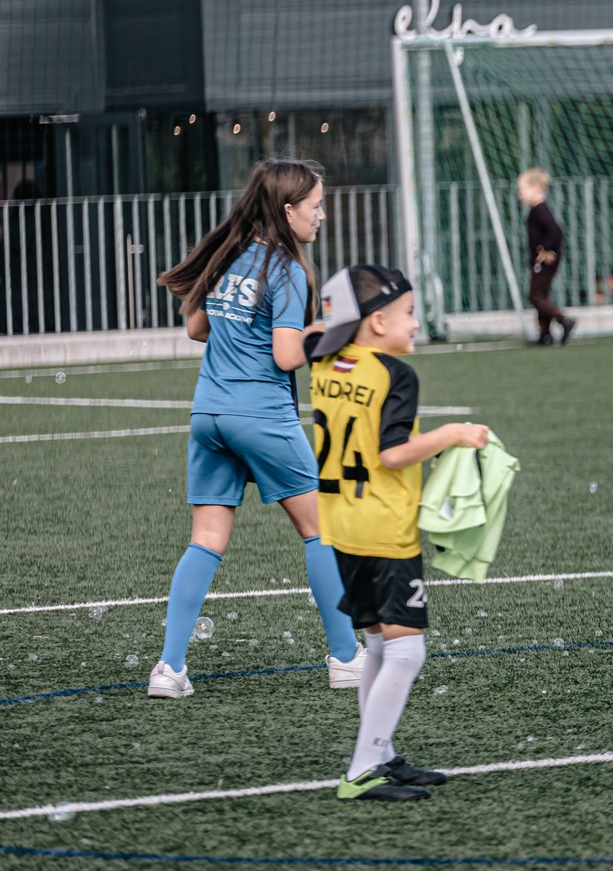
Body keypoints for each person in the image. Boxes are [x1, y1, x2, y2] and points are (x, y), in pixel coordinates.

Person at [146, 159, 363, 700]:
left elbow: (197, 328)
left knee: (205, 540)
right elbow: (287, 355)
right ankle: (346, 658)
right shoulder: (286, 267)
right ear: (288, 210)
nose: (322, 215)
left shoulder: (228, 256)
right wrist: (331, 333)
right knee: (321, 531)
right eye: (315, 207)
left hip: (209, 415)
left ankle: (169, 669)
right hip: (261, 415)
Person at [308, 266, 490, 802]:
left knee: (379, 646)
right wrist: (453, 434)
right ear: (379, 320)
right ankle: (362, 768)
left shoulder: (324, 361)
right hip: (383, 525)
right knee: (407, 653)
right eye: (409, 313)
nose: (415, 323)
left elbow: (316, 335)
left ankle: (380, 754)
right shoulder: (396, 375)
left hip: (340, 520)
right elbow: (391, 454)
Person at [518, 170, 574, 345]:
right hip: (544, 261)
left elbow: (555, 230)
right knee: (541, 295)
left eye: (523, 189)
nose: (520, 195)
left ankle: (563, 320)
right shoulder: (537, 210)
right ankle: (545, 335)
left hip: (544, 262)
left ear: (535, 188)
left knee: (535, 296)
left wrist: (545, 249)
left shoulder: (540, 210)